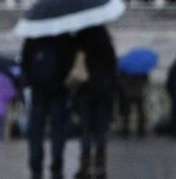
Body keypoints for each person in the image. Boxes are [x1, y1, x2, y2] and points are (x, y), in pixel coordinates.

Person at [21, 33, 76, 179]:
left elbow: (25, 63)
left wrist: (30, 82)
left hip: (38, 91)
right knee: (58, 130)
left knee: (36, 131)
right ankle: (57, 166)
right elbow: (70, 63)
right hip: (59, 91)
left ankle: (36, 166)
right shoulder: (64, 37)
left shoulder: (33, 36)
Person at [73, 26, 117, 179]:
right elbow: (113, 67)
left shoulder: (80, 40)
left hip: (85, 89)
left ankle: (84, 166)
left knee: (85, 129)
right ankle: (100, 165)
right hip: (103, 90)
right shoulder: (105, 41)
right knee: (101, 130)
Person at [117, 71, 148, 137]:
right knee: (140, 112)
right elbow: (145, 80)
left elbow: (120, 81)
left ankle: (125, 129)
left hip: (128, 93)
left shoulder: (125, 70)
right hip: (138, 92)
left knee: (127, 112)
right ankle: (141, 129)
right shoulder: (141, 70)